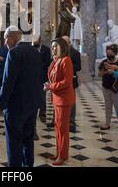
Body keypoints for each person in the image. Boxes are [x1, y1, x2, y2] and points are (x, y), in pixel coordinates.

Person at [0, 27, 42, 167]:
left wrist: (0, 105)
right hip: (33, 105)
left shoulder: (14, 53)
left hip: (16, 106)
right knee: (28, 141)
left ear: (12, 37)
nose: (4, 42)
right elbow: (39, 78)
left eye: (5, 38)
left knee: (14, 143)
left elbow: (8, 82)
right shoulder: (36, 52)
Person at [44, 38, 75, 166]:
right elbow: (53, 79)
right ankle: (59, 152)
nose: (53, 48)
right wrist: (49, 84)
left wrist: (50, 87)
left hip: (64, 99)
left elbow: (67, 82)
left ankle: (62, 156)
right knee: (57, 127)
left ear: (62, 47)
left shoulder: (66, 60)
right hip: (57, 98)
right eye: (52, 46)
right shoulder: (55, 61)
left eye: (55, 46)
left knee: (62, 129)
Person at [98, 44, 118, 134]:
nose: (108, 55)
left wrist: (113, 71)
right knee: (108, 106)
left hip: (116, 88)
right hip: (106, 87)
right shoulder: (104, 62)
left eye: (110, 53)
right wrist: (106, 71)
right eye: (107, 53)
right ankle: (107, 124)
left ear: (114, 53)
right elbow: (99, 74)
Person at [31, 35, 51, 141]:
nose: (34, 42)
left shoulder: (46, 49)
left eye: (36, 40)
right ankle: (32, 130)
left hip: (42, 76)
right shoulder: (31, 49)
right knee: (33, 103)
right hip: (32, 78)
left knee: (42, 97)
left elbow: (47, 62)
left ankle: (42, 113)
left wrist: (38, 66)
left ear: (39, 40)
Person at [62, 36, 81, 133]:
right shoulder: (60, 51)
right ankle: (59, 119)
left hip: (71, 81)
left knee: (71, 102)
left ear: (69, 43)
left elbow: (78, 67)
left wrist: (67, 67)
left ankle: (71, 121)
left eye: (65, 42)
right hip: (60, 80)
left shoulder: (76, 53)